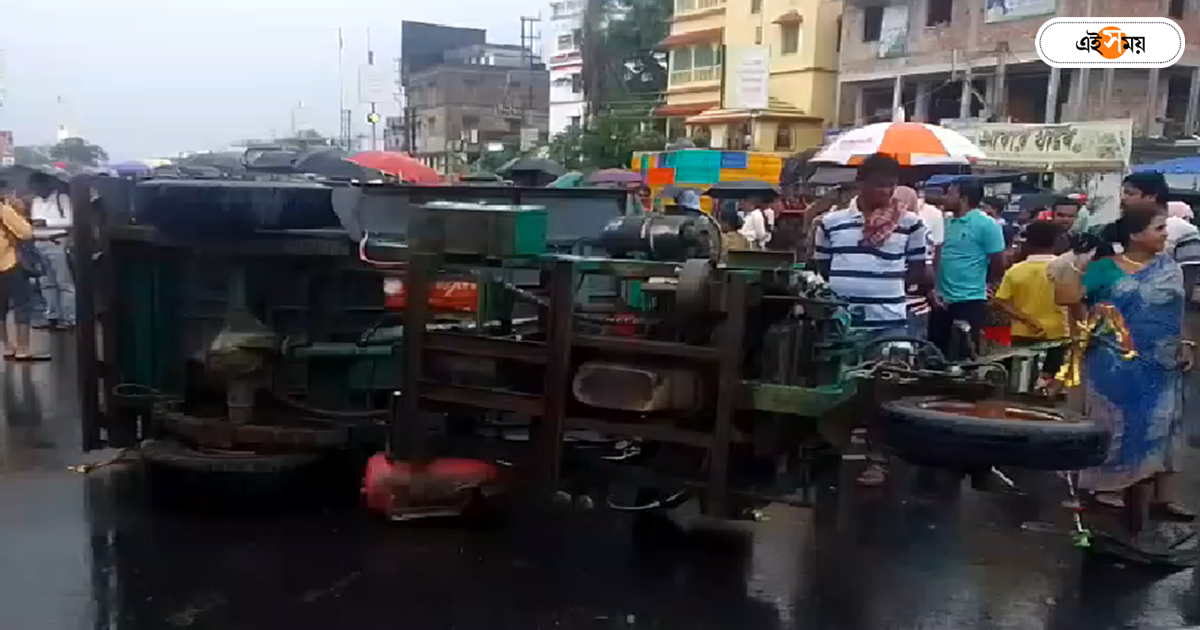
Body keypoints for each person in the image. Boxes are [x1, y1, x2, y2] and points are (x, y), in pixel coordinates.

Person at [1055, 209, 1194, 522]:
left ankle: (1141, 497)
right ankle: (1107, 489)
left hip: (1161, 365)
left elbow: (1177, 310)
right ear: (1135, 235)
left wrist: (1185, 342)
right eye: (1158, 228)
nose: (1164, 234)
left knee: (1156, 427)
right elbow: (1069, 300)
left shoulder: (1169, 267)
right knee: (1113, 426)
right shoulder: (1103, 268)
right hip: (1112, 362)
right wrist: (1077, 265)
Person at [814, 154, 931, 487]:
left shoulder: (911, 224)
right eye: (879, 183)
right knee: (833, 391)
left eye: (891, 184)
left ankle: (877, 461)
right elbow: (822, 267)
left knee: (883, 392)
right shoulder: (830, 222)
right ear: (861, 184)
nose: (886, 190)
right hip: (839, 324)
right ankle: (829, 451)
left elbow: (916, 269)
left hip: (889, 321)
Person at [929, 177, 1007, 356]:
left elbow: (998, 261)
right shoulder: (944, 222)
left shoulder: (987, 224)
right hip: (940, 301)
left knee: (966, 356)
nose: (944, 198)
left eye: (949, 193)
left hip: (969, 301)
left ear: (963, 197)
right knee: (936, 356)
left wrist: (991, 285)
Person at [993, 220, 1068, 393]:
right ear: (1056, 241)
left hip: (1022, 334)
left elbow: (1001, 301)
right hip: (1057, 335)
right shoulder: (1066, 269)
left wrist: (1026, 319)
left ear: (1029, 242)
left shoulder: (1016, 270)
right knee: (1049, 385)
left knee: (1018, 382)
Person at [28, 172, 75, 331]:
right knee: (46, 283)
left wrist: (47, 222)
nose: (35, 189)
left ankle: (69, 317)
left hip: (56, 241)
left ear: (45, 184)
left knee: (64, 283)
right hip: (39, 243)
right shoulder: (35, 201)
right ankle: (52, 315)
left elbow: (70, 220)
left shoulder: (62, 199)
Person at [0, 190, 41, 360]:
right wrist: (17, 211)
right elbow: (26, 233)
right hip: (9, 263)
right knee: (22, 304)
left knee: (0, 309)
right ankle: (23, 348)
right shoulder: (4, 210)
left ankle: (7, 347)